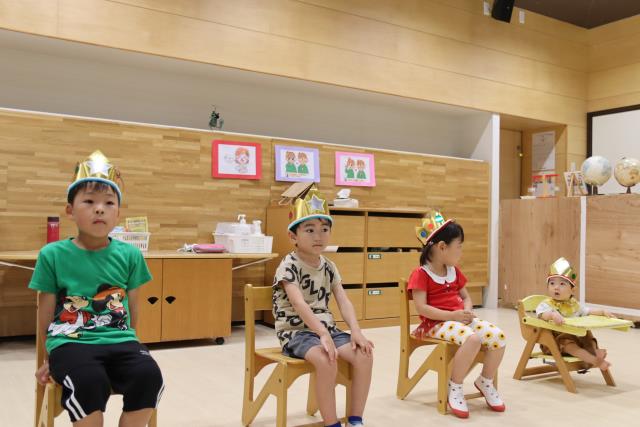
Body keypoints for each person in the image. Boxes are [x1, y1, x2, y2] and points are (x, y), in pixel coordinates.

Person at [30, 150, 164, 426]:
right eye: (89, 201)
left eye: (109, 203)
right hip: (69, 342)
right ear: (70, 210)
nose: (100, 208)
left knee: (149, 376)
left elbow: (133, 309)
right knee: (88, 380)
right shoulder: (51, 255)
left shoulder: (130, 255)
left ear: (118, 213)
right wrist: (48, 358)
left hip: (120, 339)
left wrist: (131, 341)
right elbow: (44, 315)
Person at [272, 186, 373, 427]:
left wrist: (356, 331)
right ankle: (331, 423)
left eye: (324, 230)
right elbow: (298, 303)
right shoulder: (288, 266)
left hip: (327, 330)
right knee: (327, 359)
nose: (318, 236)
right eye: (310, 230)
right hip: (296, 333)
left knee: (364, 354)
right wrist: (322, 333)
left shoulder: (329, 266)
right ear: (293, 237)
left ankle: (356, 419)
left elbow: (343, 300)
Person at [407, 211, 506, 418]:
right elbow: (422, 308)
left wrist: (467, 310)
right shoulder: (421, 274)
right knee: (473, 339)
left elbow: (466, 297)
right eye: (458, 246)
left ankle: (485, 381)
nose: (460, 251)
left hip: (458, 320)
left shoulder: (454, 270)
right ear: (442, 247)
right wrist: (453, 316)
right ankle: (455, 385)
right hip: (435, 323)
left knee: (498, 337)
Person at [536, 257, 614, 371]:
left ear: (572, 290)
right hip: (554, 342)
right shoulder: (546, 305)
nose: (556, 287)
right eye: (552, 283)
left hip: (577, 338)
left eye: (562, 284)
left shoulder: (573, 305)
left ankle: (593, 352)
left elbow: (587, 311)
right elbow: (542, 314)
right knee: (568, 343)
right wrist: (552, 315)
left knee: (587, 334)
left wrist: (602, 312)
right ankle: (593, 359)